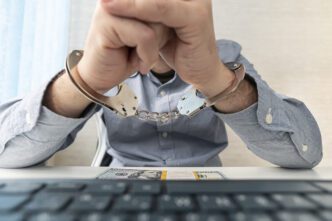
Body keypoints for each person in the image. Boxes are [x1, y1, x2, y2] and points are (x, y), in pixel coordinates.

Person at [0, 0, 322, 168]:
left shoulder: (225, 57)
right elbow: (7, 157)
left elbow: (304, 155)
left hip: (208, 186)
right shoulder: (101, 58)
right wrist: (85, 81)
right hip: (118, 184)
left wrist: (215, 79)